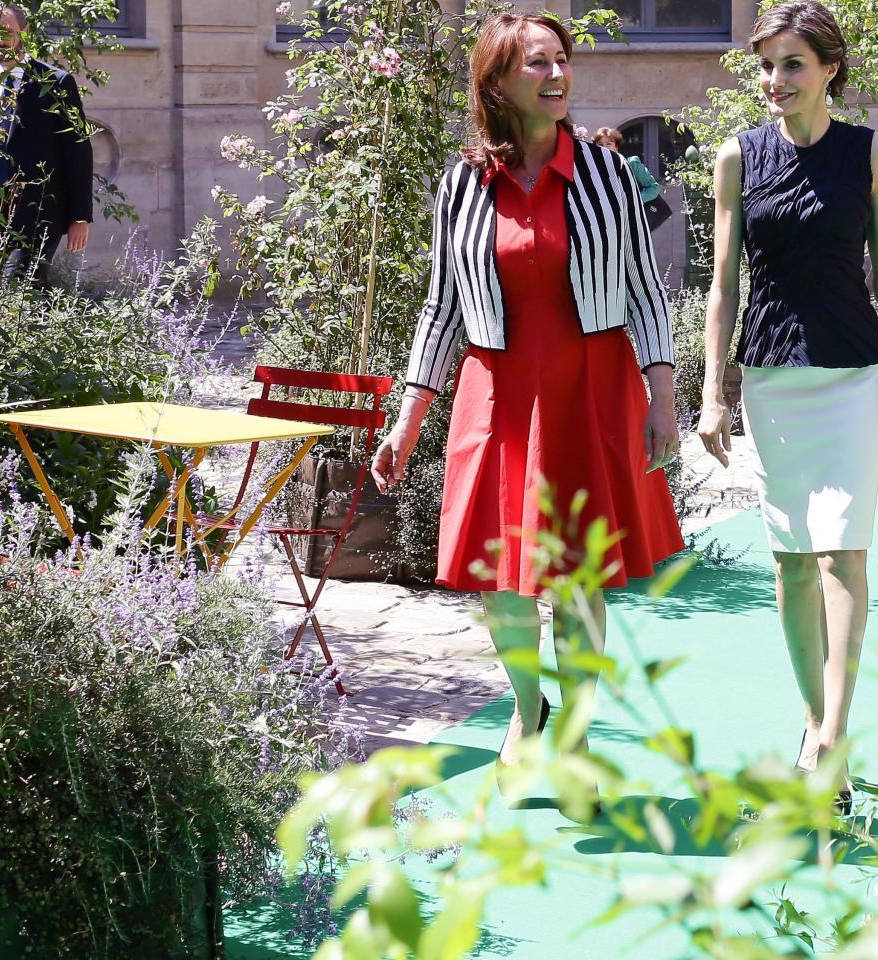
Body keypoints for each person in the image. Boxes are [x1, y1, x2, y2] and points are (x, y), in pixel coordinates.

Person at [370, 12, 682, 792]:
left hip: (589, 388)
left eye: (562, 60)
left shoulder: (611, 174)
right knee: (500, 579)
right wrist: (408, 415)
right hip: (497, 392)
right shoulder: (461, 185)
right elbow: (441, 306)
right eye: (536, 63)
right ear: (497, 84)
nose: (557, 75)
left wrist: (664, 392)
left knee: (576, 577)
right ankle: (527, 706)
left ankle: (574, 733)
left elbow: (645, 289)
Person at [695, 0, 878, 812]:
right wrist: (711, 391)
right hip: (771, 379)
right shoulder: (737, 157)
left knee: (842, 556)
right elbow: (722, 285)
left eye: (791, 63)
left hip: (853, 376)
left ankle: (832, 739)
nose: (774, 80)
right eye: (765, 64)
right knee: (792, 562)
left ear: (830, 68)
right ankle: (812, 722)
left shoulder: (873, 153)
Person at [0, 3, 93, 286]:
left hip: (39, 212)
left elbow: (78, 151)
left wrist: (80, 217)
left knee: (20, 287)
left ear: (24, 32)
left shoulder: (56, 83)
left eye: (6, 31)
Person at [593, 126, 663, 205]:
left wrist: (633, 203)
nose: (604, 148)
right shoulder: (593, 169)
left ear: (616, 146)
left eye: (609, 144)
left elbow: (654, 187)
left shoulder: (631, 164)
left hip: (632, 215)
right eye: (600, 144)